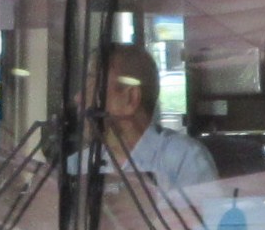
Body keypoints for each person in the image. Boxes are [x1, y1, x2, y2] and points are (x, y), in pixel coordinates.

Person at [84, 42, 216, 192]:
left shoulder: (184, 159)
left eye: (91, 89)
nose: (78, 99)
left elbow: (202, 215)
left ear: (131, 98)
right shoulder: (78, 165)